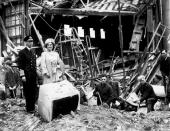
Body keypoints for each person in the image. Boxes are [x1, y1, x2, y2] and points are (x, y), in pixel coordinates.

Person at [17, 35, 38, 113]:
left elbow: (34, 64)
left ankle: (32, 107)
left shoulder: (33, 52)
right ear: (25, 42)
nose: (31, 43)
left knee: (33, 91)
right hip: (26, 75)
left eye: (32, 41)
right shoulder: (22, 52)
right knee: (28, 92)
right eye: (29, 41)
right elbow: (20, 65)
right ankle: (29, 109)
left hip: (33, 75)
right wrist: (22, 75)